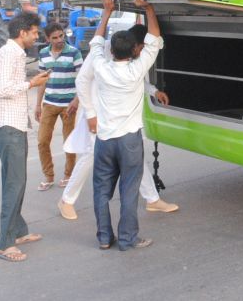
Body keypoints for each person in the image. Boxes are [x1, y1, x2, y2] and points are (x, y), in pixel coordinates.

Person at [57, 23, 177, 220]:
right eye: (140, 48)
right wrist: (90, 114)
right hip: (97, 116)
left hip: (118, 118)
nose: (140, 53)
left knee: (135, 156)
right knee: (91, 156)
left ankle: (152, 199)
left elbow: (135, 78)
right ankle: (66, 200)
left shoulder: (129, 56)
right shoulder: (101, 50)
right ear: (133, 45)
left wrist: (154, 91)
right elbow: (82, 81)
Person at [86, 0, 163, 250]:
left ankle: (104, 238)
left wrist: (106, 12)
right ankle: (128, 238)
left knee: (101, 191)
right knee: (128, 192)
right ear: (133, 50)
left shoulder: (101, 66)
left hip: (104, 140)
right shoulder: (136, 70)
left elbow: (96, 42)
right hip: (129, 140)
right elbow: (154, 42)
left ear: (112, 50)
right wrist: (149, 9)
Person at [0, 12, 50, 262]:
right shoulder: (10, 53)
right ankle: (4, 243)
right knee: (14, 182)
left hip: (12, 124)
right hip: (8, 125)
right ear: (22, 33)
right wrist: (31, 83)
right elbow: (3, 90)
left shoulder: (13, 53)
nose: (37, 36)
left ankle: (18, 230)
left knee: (17, 181)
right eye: (34, 32)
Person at [35, 22, 81, 191]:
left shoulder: (74, 53)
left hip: (68, 106)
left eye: (61, 35)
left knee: (69, 141)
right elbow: (42, 81)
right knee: (42, 141)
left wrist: (76, 101)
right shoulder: (43, 54)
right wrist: (38, 105)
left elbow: (82, 80)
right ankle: (48, 176)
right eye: (55, 37)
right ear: (47, 39)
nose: (59, 40)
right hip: (49, 104)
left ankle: (69, 175)